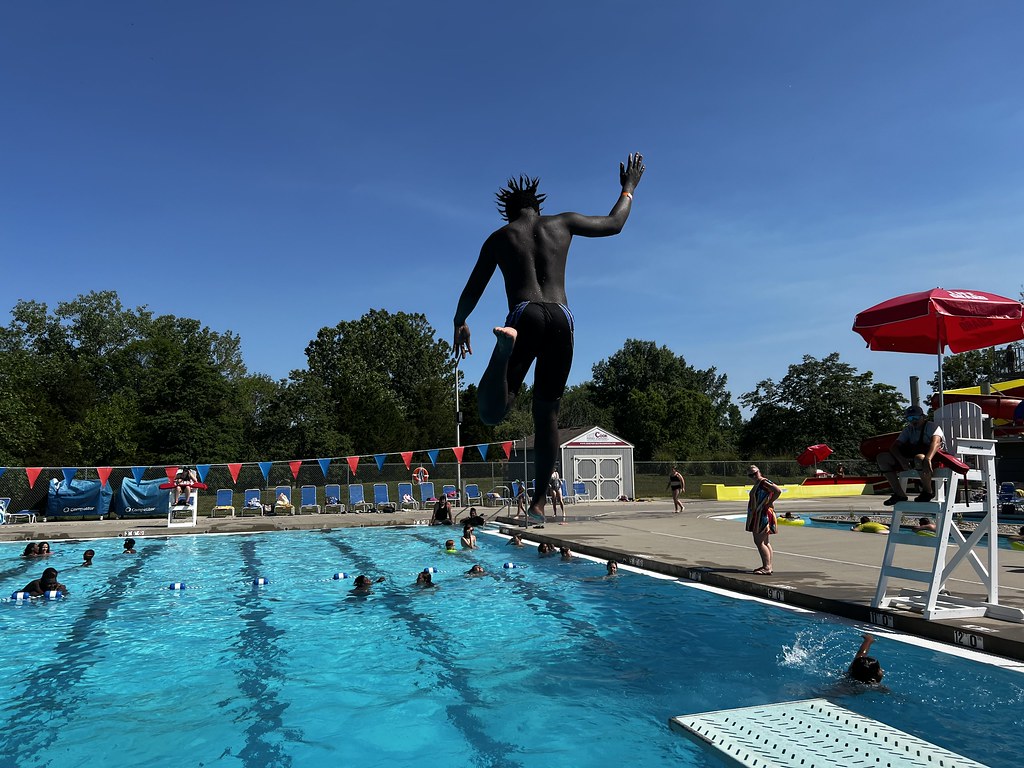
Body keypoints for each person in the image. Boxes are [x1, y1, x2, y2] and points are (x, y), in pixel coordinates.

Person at [454, 154, 645, 528]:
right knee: (547, 416)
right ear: (538, 208)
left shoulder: (500, 238)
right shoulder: (563, 223)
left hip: (523, 314)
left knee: (492, 412)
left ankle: (502, 351)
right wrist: (629, 187)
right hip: (562, 317)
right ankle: (539, 506)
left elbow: (473, 288)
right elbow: (615, 223)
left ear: (508, 212)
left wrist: (460, 321)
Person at [876, 404, 946, 505]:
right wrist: (901, 460)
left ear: (923, 417)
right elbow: (894, 447)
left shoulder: (932, 427)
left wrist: (928, 459)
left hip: (935, 459)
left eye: (916, 417)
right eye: (910, 418)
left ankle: (927, 491)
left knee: (919, 458)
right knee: (882, 458)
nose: (913, 420)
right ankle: (899, 494)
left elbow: (936, 443)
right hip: (915, 459)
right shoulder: (908, 430)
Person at [746, 465, 781, 575]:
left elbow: (778, 491)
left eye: (755, 473)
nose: (753, 476)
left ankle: (767, 567)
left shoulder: (763, 482)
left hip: (762, 514)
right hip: (759, 514)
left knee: (759, 542)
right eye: (750, 475)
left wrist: (770, 502)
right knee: (765, 542)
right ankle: (768, 565)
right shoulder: (758, 483)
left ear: (759, 471)